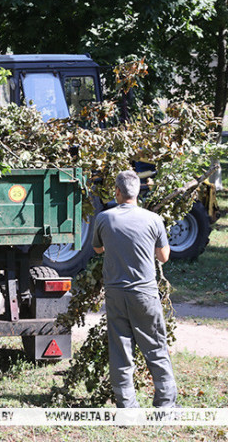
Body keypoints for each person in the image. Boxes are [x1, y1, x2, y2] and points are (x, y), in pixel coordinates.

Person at [92, 169, 177, 408]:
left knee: (120, 352)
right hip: (145, 294)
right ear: (138, 192)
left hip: (116, 294)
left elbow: (98, 250)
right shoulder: (153, 219)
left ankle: (127, 409)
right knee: (156, 348)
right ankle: (165, 406)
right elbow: (163, 257)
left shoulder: (104, 218)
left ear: (117, 192)